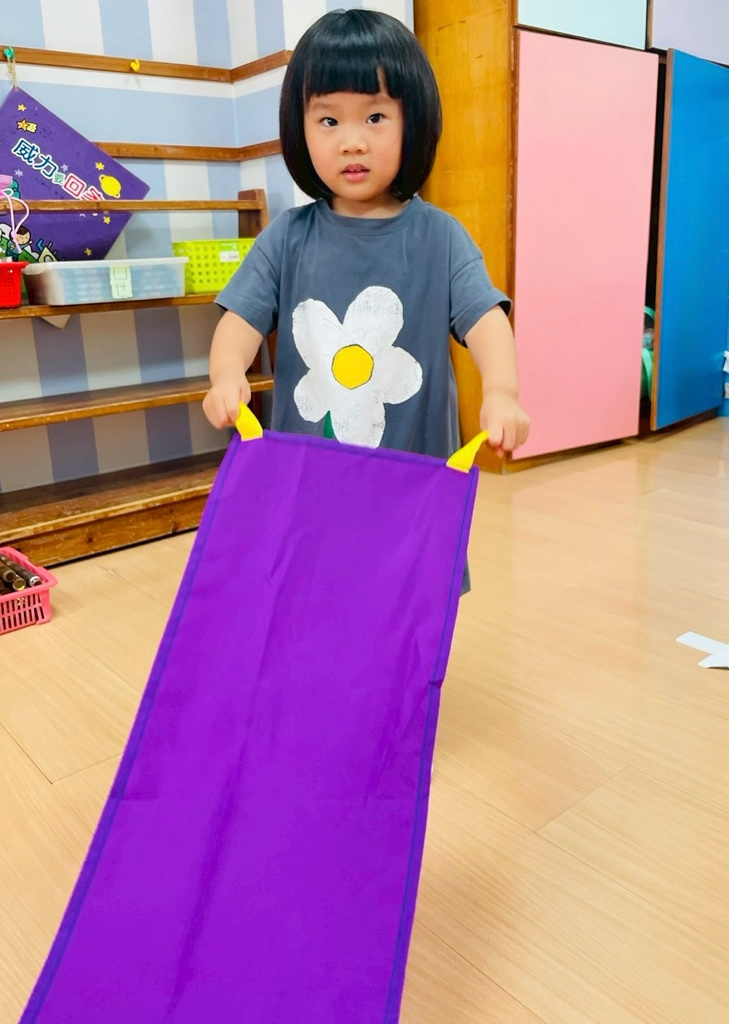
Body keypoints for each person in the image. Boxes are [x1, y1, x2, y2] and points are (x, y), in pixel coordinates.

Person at [203, 8, 529, 463]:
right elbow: (240, 321)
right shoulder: (286, 238)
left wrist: (501, 392)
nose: (352, 142)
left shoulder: (441, 238)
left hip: (414, 477)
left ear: (412, 121)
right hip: (309, 473)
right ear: (300, 128)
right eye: (329, 121)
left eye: (375, 117)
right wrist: (226, 374)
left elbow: (486, 321)